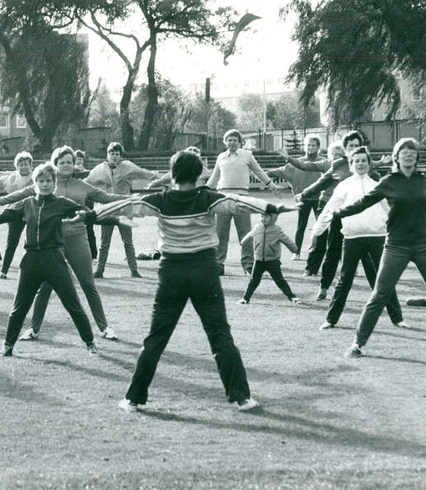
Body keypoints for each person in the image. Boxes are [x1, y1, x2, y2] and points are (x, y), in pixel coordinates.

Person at [91, 150, 299, 413]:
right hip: (204, 271)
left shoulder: (160, 200)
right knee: (220, 335)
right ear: (199, 173)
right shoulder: (208, 198)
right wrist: (273, 207)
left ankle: (133, 398)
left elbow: (124, 204)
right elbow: (238, 201)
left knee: (156, 338)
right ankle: (241, 398)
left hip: (171, 273)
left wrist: (88, 216)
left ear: (172, 173)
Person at [0, 162, 109, 358]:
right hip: (31, 261)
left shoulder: (63, 203)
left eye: (48, 181)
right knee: (19, 307)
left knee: (73, 304)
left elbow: (90, 215)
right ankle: (7, 346)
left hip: (55, 260)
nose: (45, 185)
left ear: (54, 183)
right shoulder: (26, 204)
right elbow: (4, 216)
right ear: (35, 183)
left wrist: (117, 219)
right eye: (41, 181)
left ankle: (90, 343)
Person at [0, 146, 127, 341]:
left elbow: (107, 198)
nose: (66, 165)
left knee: (88, 284)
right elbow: (18, 196)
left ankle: (104, 328)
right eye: (62, 162)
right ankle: (34, 329)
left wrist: (132, 199)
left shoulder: (82, 185)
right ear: (55, 164)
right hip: (51, 244)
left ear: (74, 164)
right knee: (43, 288)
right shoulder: (46, 183)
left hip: (76, 238)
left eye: (69, 162)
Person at [337, 139, 426, 358]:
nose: (408, 155)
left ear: (417, 157)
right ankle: (357, 344)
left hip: (425, 245)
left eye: (412, 152)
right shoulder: (388, 181)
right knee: (380, 294)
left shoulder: (424, 181)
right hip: (396, 246)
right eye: (404, 152)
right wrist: (338, 213)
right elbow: (363, 202)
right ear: (396, 157)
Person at [310, 147, 406, 330]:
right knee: (344, 279)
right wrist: (317, 231)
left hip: (377, 237)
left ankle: (397, 318)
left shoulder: (376, 185)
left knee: (383, 279)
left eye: (364, 160)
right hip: (352, 238)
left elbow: (388, 209)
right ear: (351, 165)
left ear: (369, 164)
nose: (361, 164)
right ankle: (331, 319)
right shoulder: (345, 185)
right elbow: (330, 208)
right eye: (357, 161)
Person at [291, 131, 390, 299]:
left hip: (362, 220)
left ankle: (379, 293)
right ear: (345, 148)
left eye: (357, 145)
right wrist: (305, 194)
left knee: (368, 258)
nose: (354, 149)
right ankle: (323, 288)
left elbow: (379, 192)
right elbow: (322, 182)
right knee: (333, 251)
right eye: (351, 146)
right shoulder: (338, 165)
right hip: (339, 216)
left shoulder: (367, 166)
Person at [206, 129, 285, 276]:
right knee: (221, 234)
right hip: (223, 198)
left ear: (240, 142)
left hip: (242, 198)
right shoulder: (221, 157)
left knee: (246, 233)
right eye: (229, 140)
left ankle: (248, 265)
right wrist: (204, 190)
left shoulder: (247, 155)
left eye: (235, 140)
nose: (232, 142)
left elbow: (259, 172)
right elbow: (214, 177)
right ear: (225, 142)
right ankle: (219, 264)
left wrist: (272, 186)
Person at [84, 142, 162, 278]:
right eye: (112, 153)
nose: (114, 156)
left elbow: (144, 173)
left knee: (127, 241)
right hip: (107, 210)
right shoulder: (99, 170)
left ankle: (134, 270)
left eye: (117, 154)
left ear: (120, 156)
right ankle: (100, 271)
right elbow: (86, 183)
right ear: (107, 155)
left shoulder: (127, 167)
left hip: (124, 209)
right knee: (104, 243)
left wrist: (161, 178)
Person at [266, 136, 324, 260]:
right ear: (304, 146)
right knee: (301, 226)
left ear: (318, 147)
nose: (310, 147)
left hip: (321, 199)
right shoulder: (296, 164)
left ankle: (322, 252)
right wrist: (261, 175)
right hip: (303, 199)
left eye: (313, 145)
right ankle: (296, 252)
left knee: (323, 226)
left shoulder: (323, 162)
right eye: (308, 145)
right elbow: (275, 172)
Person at [0, 151, 34, 279]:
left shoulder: (37, 176)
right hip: (14, 212)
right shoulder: (10, 178)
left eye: (26, 164)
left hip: (33, 212)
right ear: (16, 166)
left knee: (33, 241)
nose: (24, 167)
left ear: (31, 165)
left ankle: (34, 271)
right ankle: (4, 271)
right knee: (12, 241)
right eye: (21, 164)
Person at [237, 212, 301, 305]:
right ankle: (245, 298)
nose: (263, 219)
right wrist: (243, 242)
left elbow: (286, 240)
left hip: (273, 261)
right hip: (258, 260)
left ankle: (292, 297)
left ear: (273, 218)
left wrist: (294, 249)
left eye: (266, 217)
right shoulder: (257, 228)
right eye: (262, 216)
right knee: (253, 281)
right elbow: (249, 236)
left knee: (280, 281)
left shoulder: (277, 230)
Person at [146, 146, 210, 189]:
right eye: (190, 150)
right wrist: (151, 185)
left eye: (195, 150)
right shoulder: (178, 170)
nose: (192, 151)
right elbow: (163, 180)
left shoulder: (206, 172)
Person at [73, 149, 98, 259]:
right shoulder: (71, 173)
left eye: (80, 159)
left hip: (87, 201)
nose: (79, 161)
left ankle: (93, 254)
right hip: (75, 201)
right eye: (77, 159)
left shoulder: (88, 173)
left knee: (89, 227)